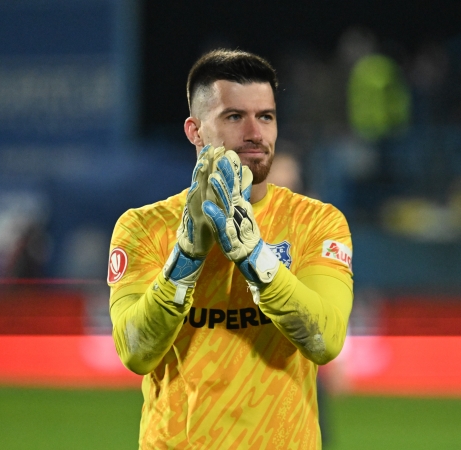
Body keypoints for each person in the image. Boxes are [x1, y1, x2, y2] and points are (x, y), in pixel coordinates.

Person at [107, 49, 354, 449]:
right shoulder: (143, 227)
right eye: (235, 117)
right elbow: (136, 352)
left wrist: (256, 258)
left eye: (266, 117)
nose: (255, 133)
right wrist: (186, 258)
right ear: (195, 131)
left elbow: (325, 341)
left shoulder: (317, 222)